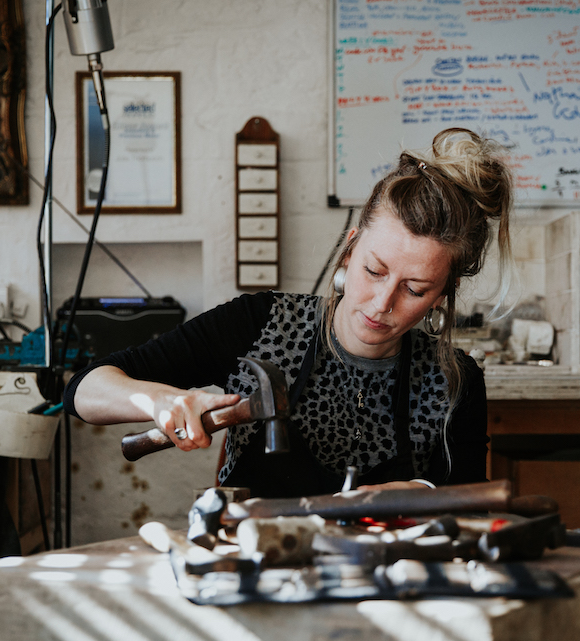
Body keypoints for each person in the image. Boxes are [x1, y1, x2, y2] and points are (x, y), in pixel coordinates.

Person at [64, 127, 514, 498]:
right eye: (374, 270)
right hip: (255, 572)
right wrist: (157, 401)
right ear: (349, 248)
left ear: (443, 294)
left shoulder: (454, 382)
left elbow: (467, 503)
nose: (382, 303)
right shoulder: (262, 324)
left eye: (414, 289)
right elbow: (83, 391)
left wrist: (413, 494)